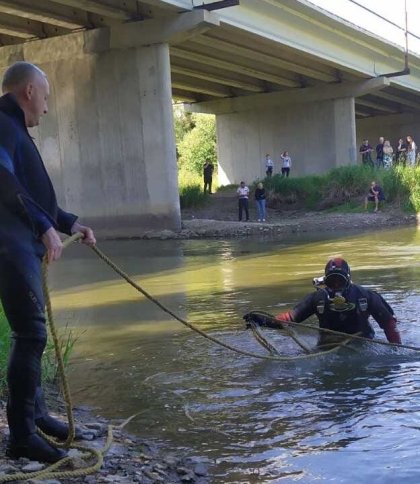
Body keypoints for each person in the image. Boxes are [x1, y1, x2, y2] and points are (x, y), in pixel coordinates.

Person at [0, 62, 96, 463]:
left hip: (17, 244)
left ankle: (36, 415)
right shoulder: (2, 125)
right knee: (31, 334)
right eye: (45, 96)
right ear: (27, 92)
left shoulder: (12, 127)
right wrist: (41, 225)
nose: (47, 106)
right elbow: (2, 181)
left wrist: (67, 221)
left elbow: (30, 191)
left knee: (29, 333)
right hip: (8, 246)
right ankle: (22, 436)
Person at [244, 258, 402, 347]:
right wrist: (262, 321)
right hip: (327, 346)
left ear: (348, 281)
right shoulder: (318, 298)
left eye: (339, 282)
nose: (336, 287)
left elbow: (389, 324)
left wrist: (396, 350)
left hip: (363, 345)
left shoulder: (365, 296)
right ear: (325, 282)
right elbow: (290, 319)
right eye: (331, 282)